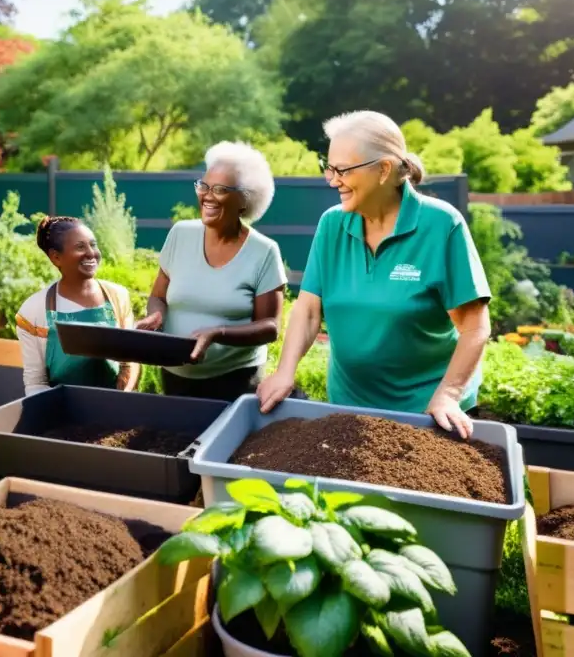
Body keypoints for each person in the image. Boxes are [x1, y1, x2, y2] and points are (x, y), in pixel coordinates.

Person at [257, 111, 491, 439]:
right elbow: (309, 310)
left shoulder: (441, 225)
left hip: (430, 413)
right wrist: (285, 371)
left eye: (342, 169)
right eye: (328, 166)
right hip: (351, 410)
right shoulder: (332, 225)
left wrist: (448, 396)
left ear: (383, 170)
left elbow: (474, 327)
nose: (331, 178)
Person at [136, 141, 286, 402]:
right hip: (175, 374)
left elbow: (270, 327)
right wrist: (155, 316)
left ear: (244, 200)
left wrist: (219, 333)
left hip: (235, 380)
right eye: (203, 186)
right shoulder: (181, 233)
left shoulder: (264, 252)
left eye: (220, 189)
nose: (207, 195)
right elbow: (158, 295)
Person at [16, 216, 139, 394]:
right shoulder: (33, 311)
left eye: (93, 244)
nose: (91, 253)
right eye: (80, 247)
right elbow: (36, 382)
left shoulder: (118, 297)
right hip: (61, 410)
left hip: (116, 405)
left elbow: (129, 362)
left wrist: (122, 399)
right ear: (56, 257)